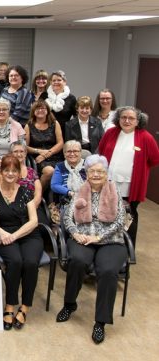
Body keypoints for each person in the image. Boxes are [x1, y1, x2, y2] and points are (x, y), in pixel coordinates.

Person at [57, 155, 128, 344]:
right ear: (86, 173)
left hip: (110, 240)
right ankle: (69, 304)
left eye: (100, 171)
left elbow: (121, 220)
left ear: (106, 174)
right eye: (92, 171)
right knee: (78, 262)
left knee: (108, 271)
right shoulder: (80, 190)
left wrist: (99, 237)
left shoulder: (115, 191)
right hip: (82, 237)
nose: (96, 174)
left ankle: (100, 322)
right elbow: (67, 218)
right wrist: (74, 233)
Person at [0, 154, 42, 331]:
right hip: (3, 234)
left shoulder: (26, 192)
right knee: (15, 262)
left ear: (18, 174)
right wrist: (0, 232)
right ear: (1, 172)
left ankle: (25, 307)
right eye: (6, 170)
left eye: (14, 171)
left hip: (28, 234)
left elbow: (33, 221)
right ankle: (10, 305)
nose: (10, 174)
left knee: (30, 263)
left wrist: (14, 235)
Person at [98, 106, 159, 247]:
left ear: (138, 121)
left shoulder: (145, 137)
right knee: (107, 210)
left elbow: (155, 159)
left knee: (129, 214)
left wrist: (140, 169)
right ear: (118, 119)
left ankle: (127, 247)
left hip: (131, 185)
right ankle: (107, 242)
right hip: (109, 181)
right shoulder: (111, 133)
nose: (127, 120)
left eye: (131, 118)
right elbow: (101, 150)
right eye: (123, 117)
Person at [25, 99, 64, 190]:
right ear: (33, 112)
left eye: (43, 108)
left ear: (47, 110)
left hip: (55, 155)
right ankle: (37, 196)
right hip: (38, 159)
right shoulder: (29, 125)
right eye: (37, 109)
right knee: (49, 172)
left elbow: (60, 143)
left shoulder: (55, 123)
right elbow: (25, 147)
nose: (40, 110)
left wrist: (47, 154)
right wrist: (39, 151)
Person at [51, 140, 86, 206]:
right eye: (69, 151)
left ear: (80, 153)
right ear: (64, 154)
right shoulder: (60, 166)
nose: (72, 154)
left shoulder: (88, 164)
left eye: (75, 151)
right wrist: (69, 193)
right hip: (68, 200)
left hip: (88, 198)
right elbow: (54, 185)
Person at [9, 141, 43, 210]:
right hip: (12, 208)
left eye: (21, 151)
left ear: (25, 154)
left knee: (42, 221)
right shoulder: (6, 171)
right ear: (11, 154)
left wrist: (31, 208)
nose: (19, 154)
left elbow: (38, 193)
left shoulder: (32, 171)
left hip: (32, 206)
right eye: (15, 152)